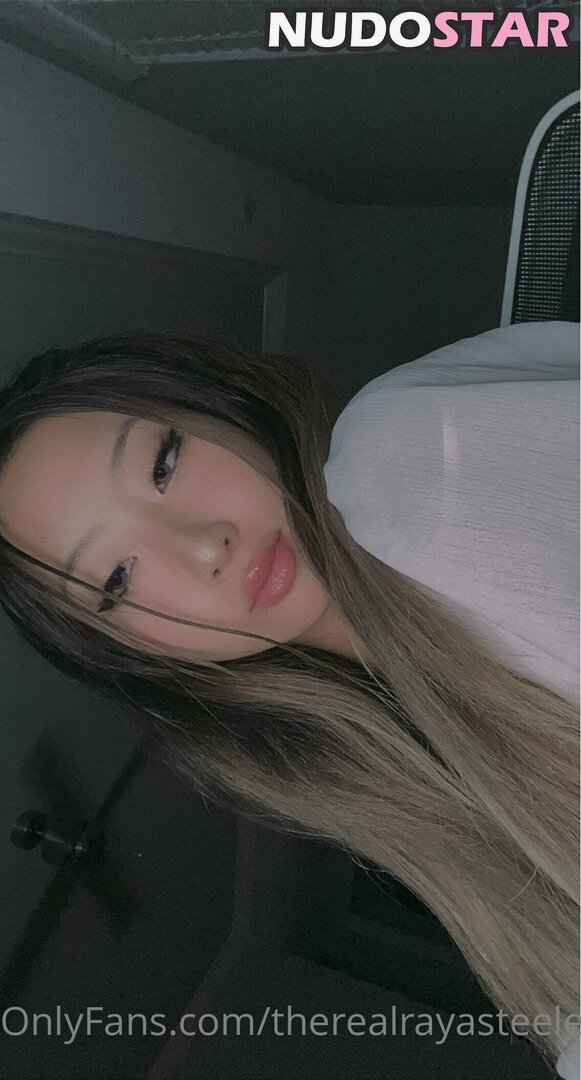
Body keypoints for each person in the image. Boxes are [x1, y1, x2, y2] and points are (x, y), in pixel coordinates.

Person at [0, 323, 578, 1076]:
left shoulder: (396, 453)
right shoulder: (372, 777)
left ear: (217, 405)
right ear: (134, 654)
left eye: (165, 462)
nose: (204, 546)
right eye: (116, 579)